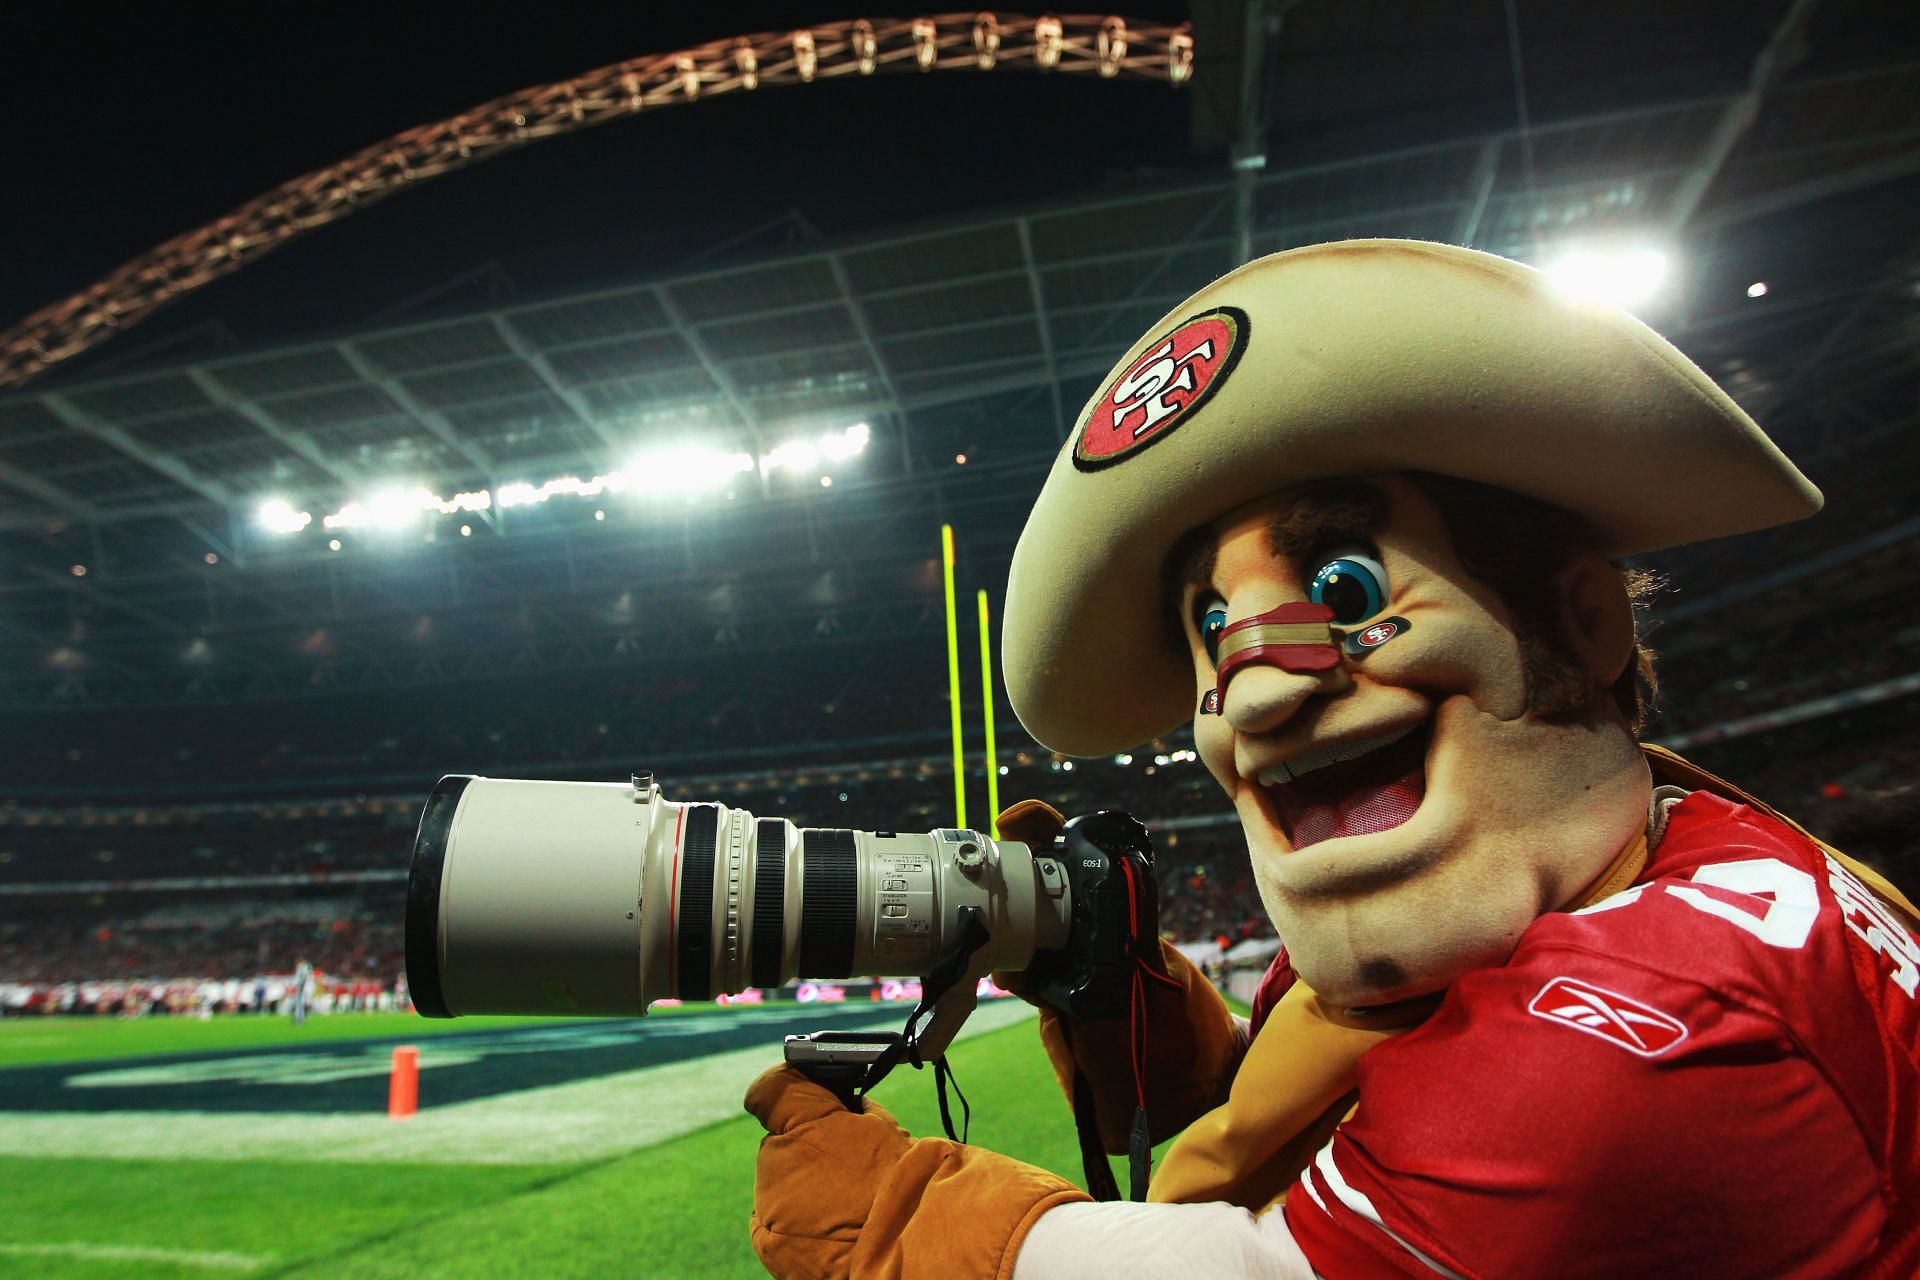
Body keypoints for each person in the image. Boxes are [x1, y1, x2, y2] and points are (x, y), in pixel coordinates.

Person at [743, 240, 1920, 1278]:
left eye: (1344, 586)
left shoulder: (1643, 1025)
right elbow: (1371, 1124)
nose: (1253, 686)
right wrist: (1153, 1030)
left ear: (1584, 620)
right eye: (1213, 624)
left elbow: (1277, 1264)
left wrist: (896, 1229)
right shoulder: (1636, 860)